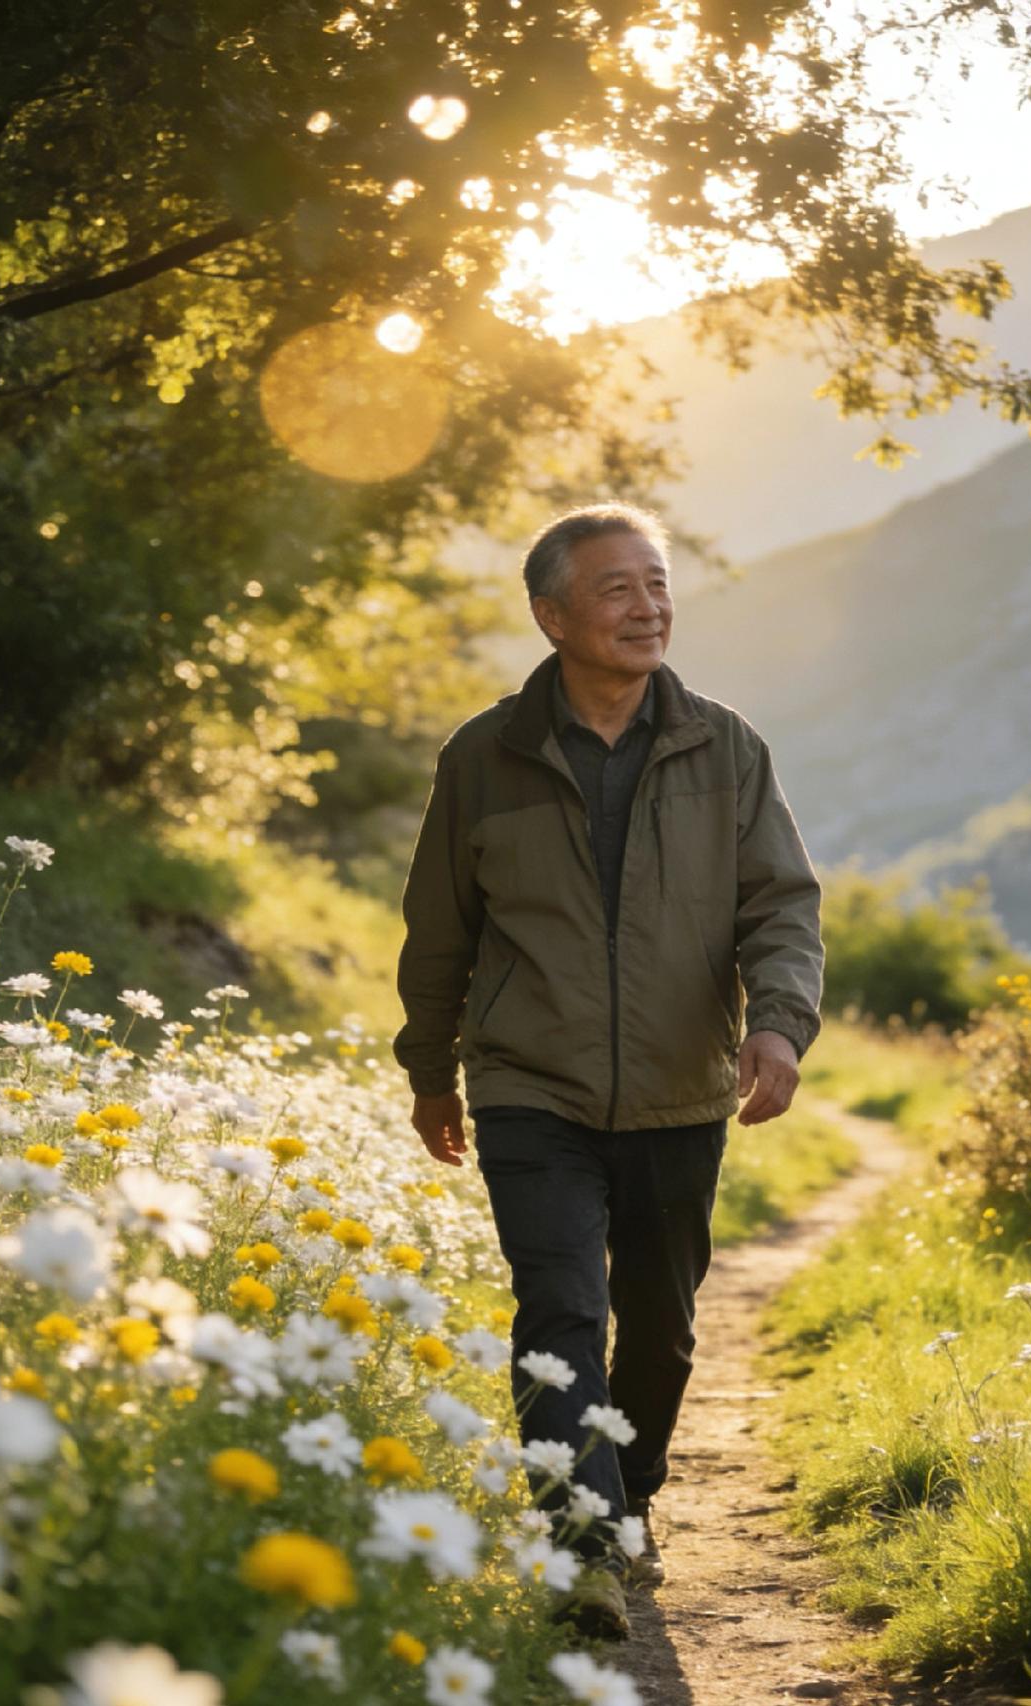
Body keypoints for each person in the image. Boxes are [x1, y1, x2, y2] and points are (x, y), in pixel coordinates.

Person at [392, 502, 824, 1638]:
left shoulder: (725, 746)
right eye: (616, 588)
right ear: (552, 616)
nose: (647, 607)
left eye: (657, 583)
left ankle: (629, 1493)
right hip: (529, 1083)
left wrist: (779, 1025)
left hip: (682, 1086)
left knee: (660, 1326)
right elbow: (439, 928)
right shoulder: (482, 756)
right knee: (561, 1310)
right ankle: (580, 1547)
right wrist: (430, 1068)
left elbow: (781, 905)